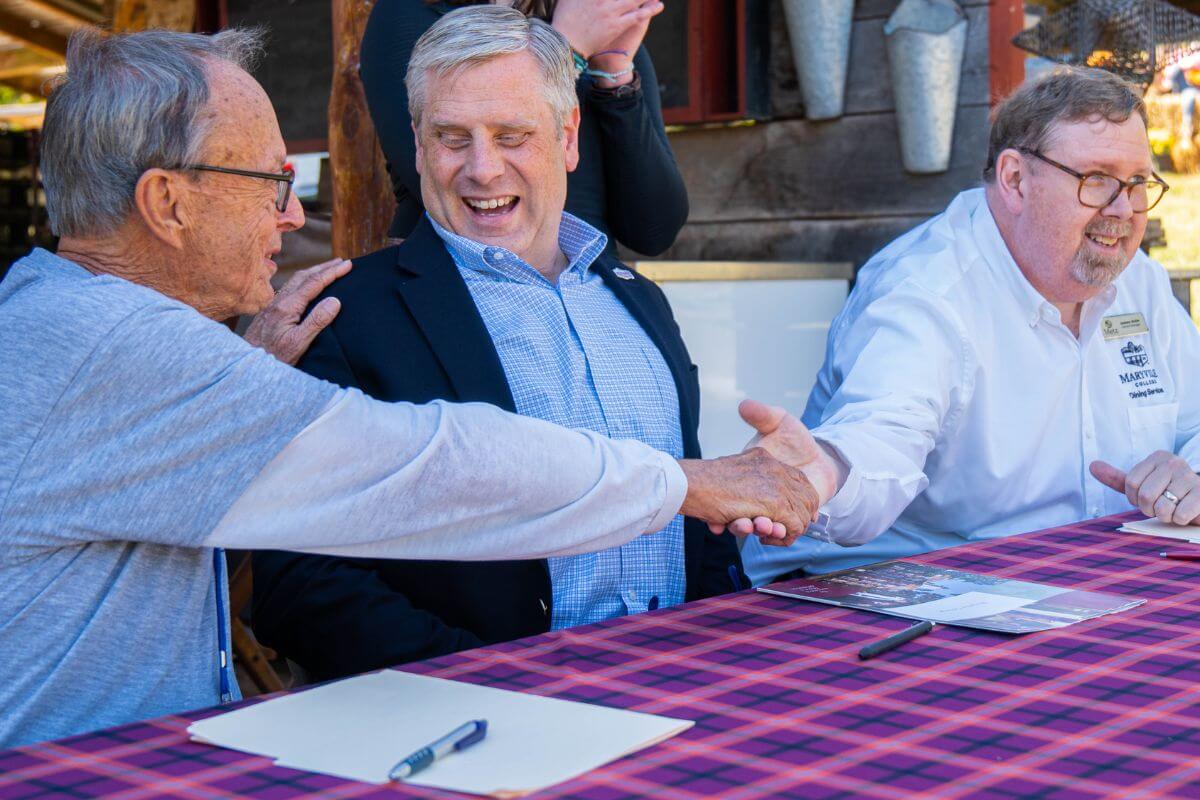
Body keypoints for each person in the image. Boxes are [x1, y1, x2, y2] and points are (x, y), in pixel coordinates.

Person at [0, 27, 819, 748]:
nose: (292, 216)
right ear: (166, 202)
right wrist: (686, 484)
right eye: (269, 182)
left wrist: (244, 383)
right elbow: (432, 465)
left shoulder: (63, 321)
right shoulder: (118, 351)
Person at [252, 7, 741, 680]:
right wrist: (500, 682)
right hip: (485, 713)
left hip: (686, 683)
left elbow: (698, 527)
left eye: (513, 136)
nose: (483, 169)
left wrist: (720, 649)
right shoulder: (345, 315)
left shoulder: (641, 302)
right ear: (417, 146)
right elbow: (300, 584)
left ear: (568, 137)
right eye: (452, 138)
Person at [742, 66, 1200, 584]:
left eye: (1138, 183)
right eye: (1097, 180)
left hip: (1077, 576)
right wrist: (822, 473)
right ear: (1015, 180)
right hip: (886, 588)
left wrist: (1193, 476)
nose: (1124, 209)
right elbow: (881, 439)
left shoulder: (1140, 281)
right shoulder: (926, 291)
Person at [359, 0, 687, 256]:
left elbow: (653, 230)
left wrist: (615, 78)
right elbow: (469, 198)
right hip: (450, 292)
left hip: (578, 288)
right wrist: (567, 52)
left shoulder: (592, 15)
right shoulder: (408, 12)